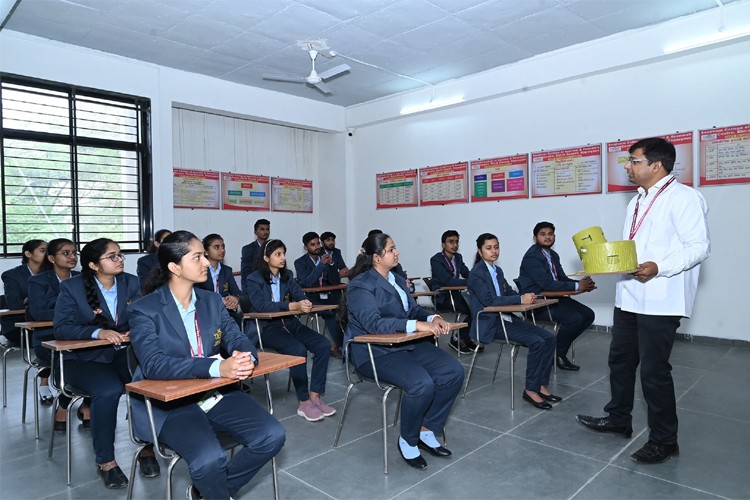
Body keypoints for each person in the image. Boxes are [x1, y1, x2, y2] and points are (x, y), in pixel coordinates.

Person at [576, 137, 710, 465]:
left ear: (656, 164)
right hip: (631, 295)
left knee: (654, 372)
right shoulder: (636, 201)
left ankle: (665, 439)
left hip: (662, 299)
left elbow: (698, 247)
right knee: (620, 361)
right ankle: (618, 418)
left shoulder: (685, 198)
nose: (627, 166)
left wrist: (659, 267)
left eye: (633, 161)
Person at [129, 231, 285, 500]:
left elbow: (236, 337)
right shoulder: (144, 309)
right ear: (174, 267)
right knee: (210, 458)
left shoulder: (211, 301)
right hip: (171, 404)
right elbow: (154, 364)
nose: (206, 262)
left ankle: (209, 491)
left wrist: (244, 356)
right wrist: (216, 368)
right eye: (197, 256)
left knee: (272, 435)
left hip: (214, 393)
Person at [342, 232, 464, 470]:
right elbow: (373, 325)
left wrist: (433, 317)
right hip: (373, 351)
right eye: (391, 249)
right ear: (377, 258)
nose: (396, 252)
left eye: (395, 248)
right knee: (422, 384)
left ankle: (426, 429)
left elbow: (412, 311)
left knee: (452, 372)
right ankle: (408, 441)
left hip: (403, 343)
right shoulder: (360, 286)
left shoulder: (396, 279)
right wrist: (417, 325)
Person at [53, 238, 159, 489]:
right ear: (93, 265)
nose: (120, 259)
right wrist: (96, 333)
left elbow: (145, 314)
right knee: (108, 390)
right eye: (112, 256)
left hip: (122, 354)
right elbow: (62, 327)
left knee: (146, 382)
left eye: (120, 255)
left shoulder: (131, 282)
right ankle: (106, 461)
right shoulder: (72, 287)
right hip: (81, 360)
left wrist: (137, 329)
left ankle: (146, 447)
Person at [467, 233, 559, 410]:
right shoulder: (476, 274)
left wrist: (528, 296)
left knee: (549, 337)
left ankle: (540, 384)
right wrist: (519, 299)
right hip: (489, 324)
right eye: (488, 248)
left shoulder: (497, 271)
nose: (494, 251)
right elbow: (490, 301)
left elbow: (508, 292)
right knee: (537, 341)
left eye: (496, 246)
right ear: (480, 251)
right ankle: (530, 390)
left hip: (505, 319)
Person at [246, 239, 335, 422]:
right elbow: (261, 306)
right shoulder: (254, 278)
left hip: (290, 323)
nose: (283, 258)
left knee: (323, 344)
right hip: (267, 328)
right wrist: (292, 304)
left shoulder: (287, 275)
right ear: (266, 257)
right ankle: (303, 402)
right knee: (297, 350)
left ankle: (315, 396)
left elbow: (299, 294)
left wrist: (305, 302)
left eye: (284, 253)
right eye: (278, 254)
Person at [518, 221, 596, 370]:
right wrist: (577, 286)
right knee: (574, 319)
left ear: (554, 236)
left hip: (553, 298)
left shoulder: (553, 255)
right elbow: (547, 284)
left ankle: (556, 352)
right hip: (537, 303)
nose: (547, 237)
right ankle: (558, 355)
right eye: (542, 234)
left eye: (550, 234)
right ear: (535, 238)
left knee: (588, 315)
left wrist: (582, 285)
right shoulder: (532, 257)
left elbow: (561, 279)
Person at [27, 238, 81, 414]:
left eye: (74, 253)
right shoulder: (38, 282)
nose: (72, 257)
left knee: (103, 356)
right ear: (51, 258)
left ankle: (85, 404)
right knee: (72, 359)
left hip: (78, 335)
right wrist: (72, 313)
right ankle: (65, 405)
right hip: (48, 339)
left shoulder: (82, 279)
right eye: (66, 253)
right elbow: (39, 313)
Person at [429, 230, 481, 354]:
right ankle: (456, 339)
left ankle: (465, 338)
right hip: (442, 297)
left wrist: (478, 279)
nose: (455, 245)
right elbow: (448, 281)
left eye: (457, 242)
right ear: (443, 244)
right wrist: (470, 282)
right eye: (451, 242)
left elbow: (467, 274)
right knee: (471, 309)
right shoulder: (436, 260)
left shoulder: (458, 257)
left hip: (456, 295)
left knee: (477, 308)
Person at [294, 231, 345, 358]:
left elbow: (334, 281)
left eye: (318, 243)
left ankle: (346, 344)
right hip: (312, 298)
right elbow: (307, 283)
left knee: (346, 309)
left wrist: (332, 265)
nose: (317, 247)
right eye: (312, 245)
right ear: (306, 247)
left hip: (329, 295)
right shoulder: (300, 262)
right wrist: (321, 265)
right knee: (330, 313)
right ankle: (340, 346)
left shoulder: (325, 257)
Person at [1, 239, 48, 345]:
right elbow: (14, 304)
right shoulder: (12, 275)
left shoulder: (51, 272)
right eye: (43, 250)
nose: (47, 254)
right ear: (28, 253)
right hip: (18, 323)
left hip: (47, 320)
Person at [197, 233, 242, 326]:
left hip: (225, 313)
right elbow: (198, 296)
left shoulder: (227, 270)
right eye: (216, 247)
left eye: (223, 247)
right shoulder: (199, 270)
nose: (222, 250)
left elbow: (237, 292)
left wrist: (235, 298)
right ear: (206, 251)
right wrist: (221, 301)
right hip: (205, 313)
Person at [240, 218, 270, 295]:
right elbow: (245, 272)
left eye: (267, 229)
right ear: (255, 232)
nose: (266, 232)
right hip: (254, 287)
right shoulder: (248, 249)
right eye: (262, 229)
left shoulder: (273, 248)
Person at [136, 229, 171, 293]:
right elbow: (144, 288)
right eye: (166, 240)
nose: (170, 243)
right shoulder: (145, 261)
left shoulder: (180, 258)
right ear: (157, 244)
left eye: (172, 239)